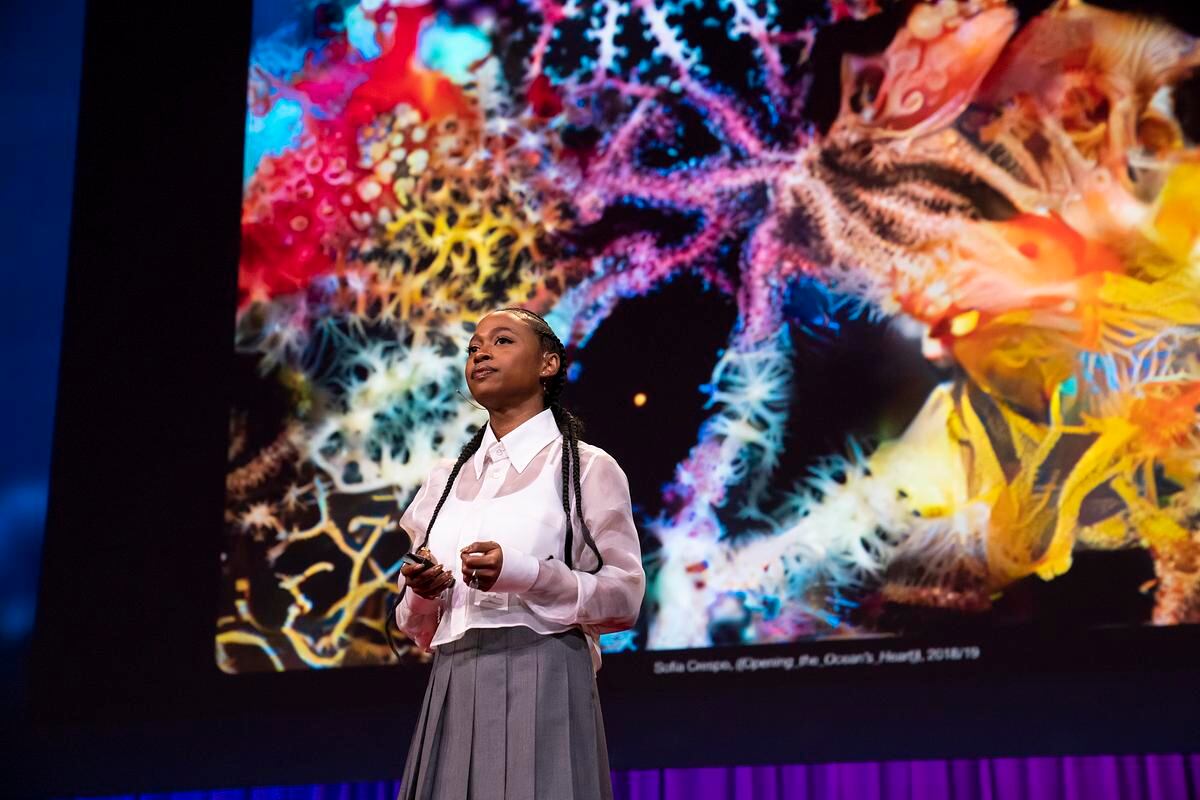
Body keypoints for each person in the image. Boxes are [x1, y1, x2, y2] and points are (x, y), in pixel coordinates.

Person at [393, 307, 646, 800]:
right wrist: (423, 591)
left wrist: (525, 573)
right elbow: (415, 623)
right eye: (473, 348)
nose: (481, 353)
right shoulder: (444, 479)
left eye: (502, 341)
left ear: (547, 364)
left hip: (546, 672)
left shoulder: (586, 468)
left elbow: (624, 595)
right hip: (453, 679)